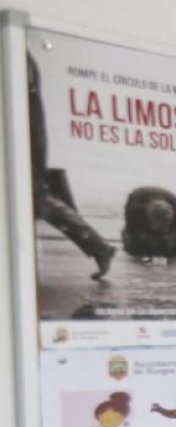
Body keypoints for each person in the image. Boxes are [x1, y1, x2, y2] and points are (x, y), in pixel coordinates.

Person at [27, 52, 116, 280]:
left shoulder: (20, 57)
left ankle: (99, 247)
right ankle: (99, 247)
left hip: (25, 138)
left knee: (40, 197)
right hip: (26, 136)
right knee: (39, 198)